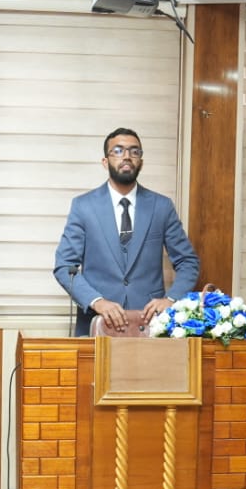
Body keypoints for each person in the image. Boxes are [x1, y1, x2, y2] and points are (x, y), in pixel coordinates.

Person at [52, 127, 199, 336]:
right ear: (105, 161)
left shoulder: (161, 206)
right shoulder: (83, 206)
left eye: (134, 151)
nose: (127, 156)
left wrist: (171, 299)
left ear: (141, 162)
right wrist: (97, 301)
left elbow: (188, 262)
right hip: (96, 323)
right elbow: (65, 266)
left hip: (150, 325)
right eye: (118, 151)